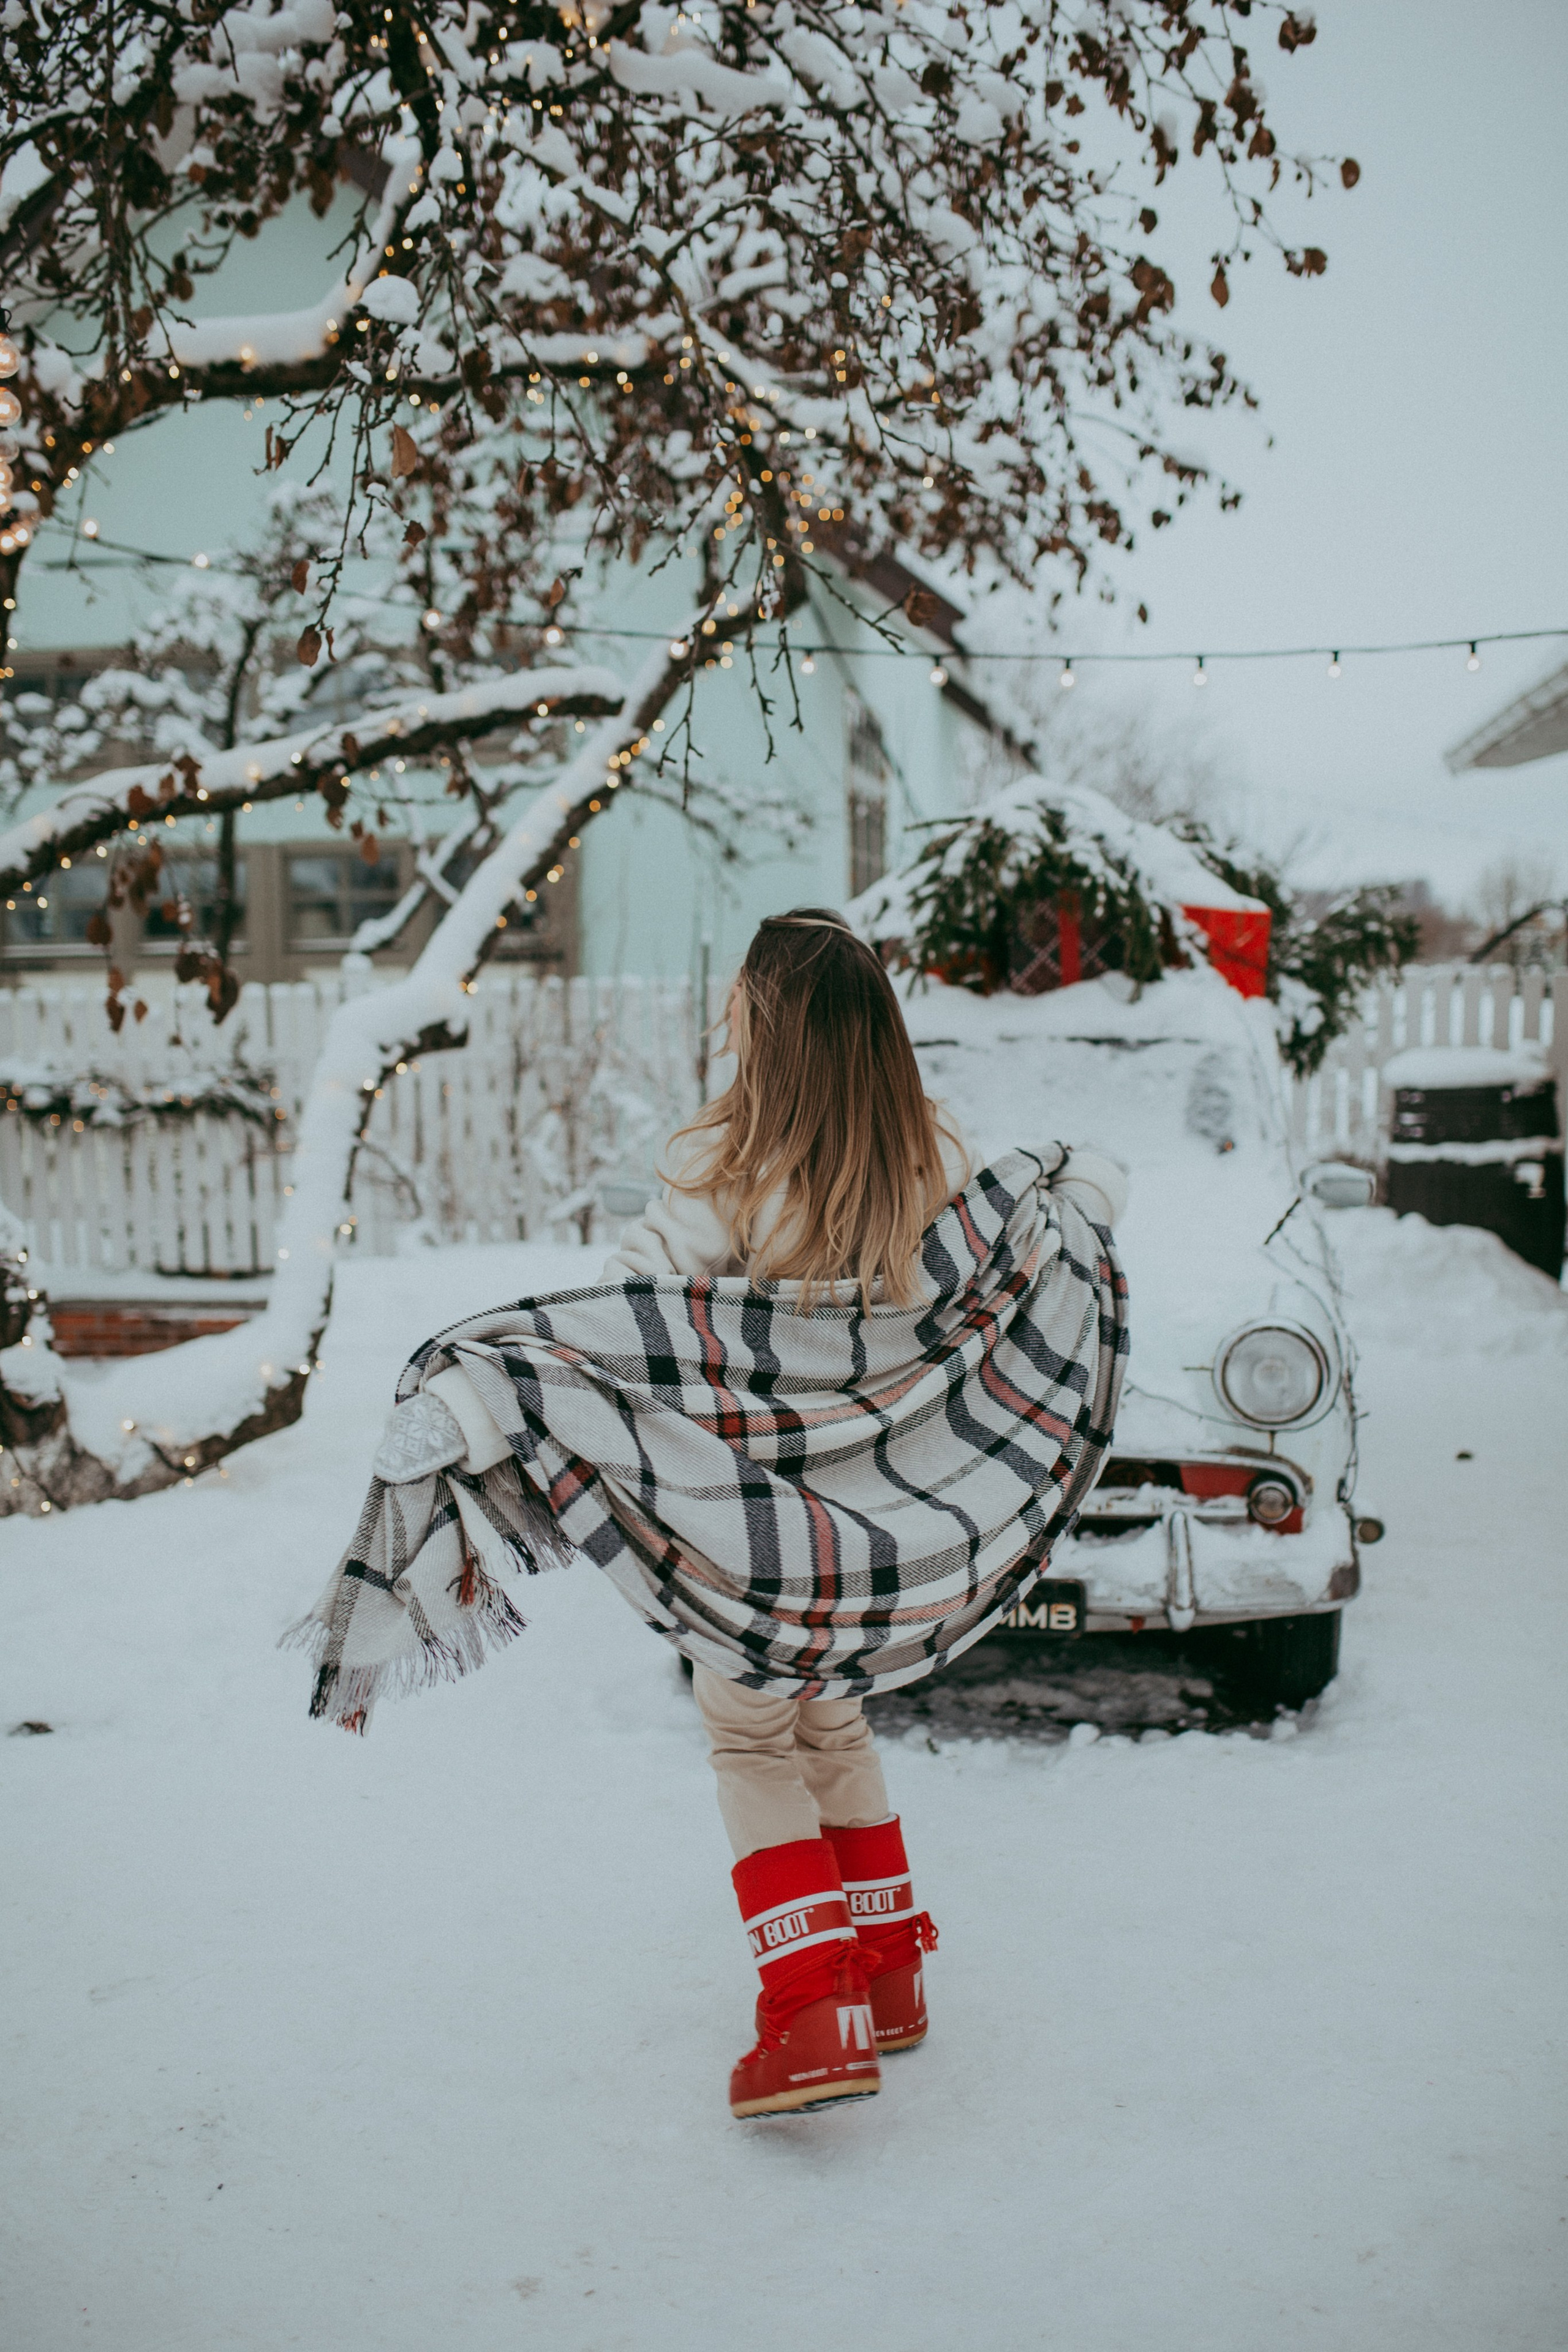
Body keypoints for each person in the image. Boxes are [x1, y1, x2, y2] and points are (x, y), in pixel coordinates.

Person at [315, 907, 1127, 2120]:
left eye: (739, 1001)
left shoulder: (729, 1160)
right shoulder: (934, 1150)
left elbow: (631, 1312)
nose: (724, 1018)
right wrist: (1086, 1196)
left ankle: (811, 2011)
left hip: (760, 1533)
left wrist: (507, 1387)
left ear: (769, 1023)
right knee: (831, 1725)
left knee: (751, 1739)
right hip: (866, 1534)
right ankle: (887, 1979)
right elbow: (1023, 1238)